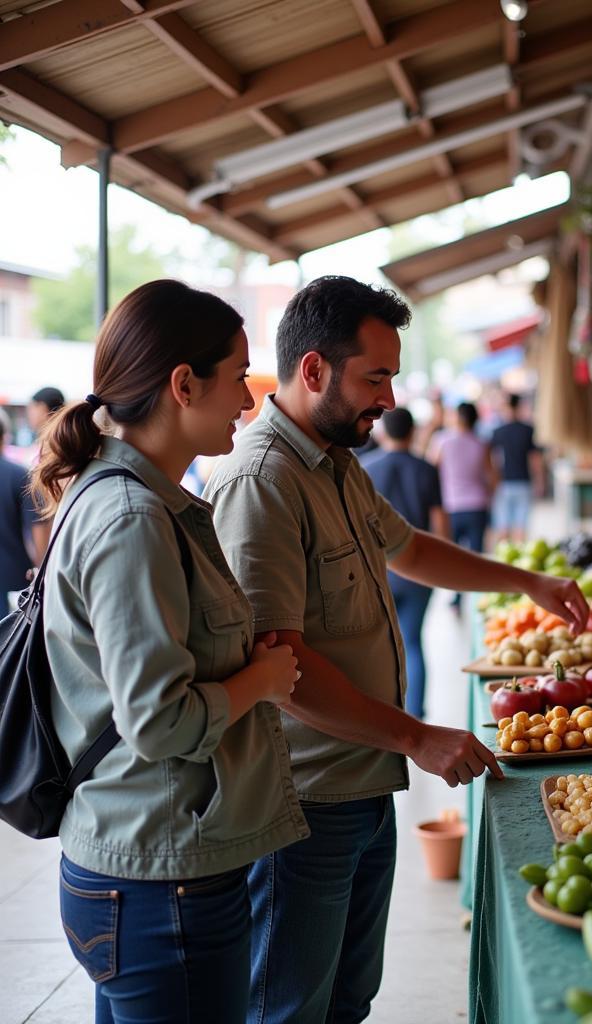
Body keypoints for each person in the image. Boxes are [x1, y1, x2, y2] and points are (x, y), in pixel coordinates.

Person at [203, 275, 587, 1024]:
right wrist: (417, 736)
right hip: (301, 804)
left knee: (346, 998)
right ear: (314, 371)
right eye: (374, 377)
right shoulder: (262, 480)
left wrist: (528, 581)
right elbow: (282, 669)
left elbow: (409, 549)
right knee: (288, 1008)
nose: (388, 397)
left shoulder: (335, 461)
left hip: (360, 784)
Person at [32, 280, 307, 1024]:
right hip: (160, 881)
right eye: (238, 379)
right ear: (183, 384)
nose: (249, 405)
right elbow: (158, 722)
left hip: (147, 870)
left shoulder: (138, 499)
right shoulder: (131, 517)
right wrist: (262, 679)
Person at [362, 407, 447, 719]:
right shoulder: (426, 469)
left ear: (384, 431)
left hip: (377, 571)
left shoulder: (365, 468)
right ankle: (415, 714)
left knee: (379, 645)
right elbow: (440, 523)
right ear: (413, 432)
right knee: (412, 641)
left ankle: (387, 711)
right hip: (417, 571)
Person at [434, 401, 494, 607]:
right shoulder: (481, 443)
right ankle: (478, 599)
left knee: (453, 556)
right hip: (477, 505)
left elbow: (432, 469)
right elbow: (493, 475)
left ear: (458, 417)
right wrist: (487, 495)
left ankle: (457, 598)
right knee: (475, 556)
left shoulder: (442, 441)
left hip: (451, 505)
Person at [489, 392, 544, 544]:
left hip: (504, 483)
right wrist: (540, 482)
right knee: (521, 526)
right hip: (524, 482)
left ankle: (503, 561)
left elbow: (493, 462)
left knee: (503, 527)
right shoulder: (527, 430)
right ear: (518, 406)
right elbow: (535, 459)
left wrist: (492, 483)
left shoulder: (498, 432)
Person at [0, 407, 40, 608]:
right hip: (14, 578)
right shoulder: (20, 475)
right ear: (4, 437)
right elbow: (36, 530)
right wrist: (42, 569)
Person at [27, 386, 65, 551]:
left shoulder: (54, 443)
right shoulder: (59, 438)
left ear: (42, 408)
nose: (29, 414)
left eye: (31, 408)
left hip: (54, 527)